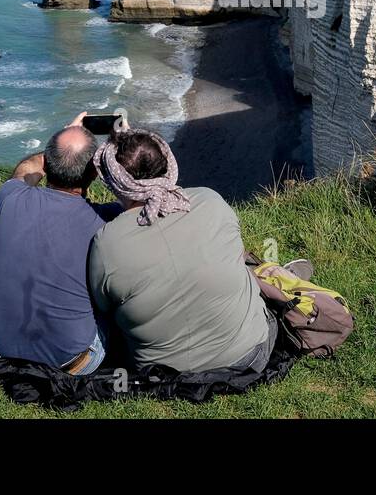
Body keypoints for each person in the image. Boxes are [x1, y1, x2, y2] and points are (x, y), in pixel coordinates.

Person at [88, 129, 277, 373]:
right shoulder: (210, 200)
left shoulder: (107, 243)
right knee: (243, 264)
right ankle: (278, 276)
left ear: (116, 182)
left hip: (162, 376)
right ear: (167, 164)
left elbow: (102, 306)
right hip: (249, 357)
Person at [0, 114, 120, 375]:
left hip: (1, 351)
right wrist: (121, 148)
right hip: (72, 361)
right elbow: (140, 194)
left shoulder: (10, 199)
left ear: (46, 163)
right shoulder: (106, 221)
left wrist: (63, 138)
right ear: (94, 171)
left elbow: (25, 170)